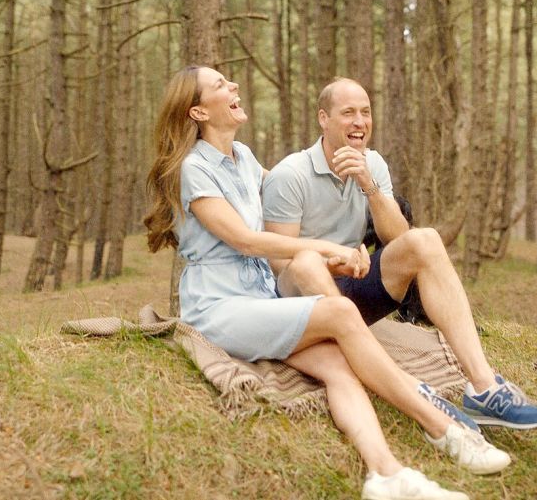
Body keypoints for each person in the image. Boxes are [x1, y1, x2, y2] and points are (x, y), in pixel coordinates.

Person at [144, 66, 510, 500]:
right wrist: (325, 249)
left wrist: (348, 241)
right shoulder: (193, 168)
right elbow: (243, 239)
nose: (234, 86)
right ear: (199, 110)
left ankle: (386, 475)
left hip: (263, 301)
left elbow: (286, 194)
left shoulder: (243, 159)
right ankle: (441, 425)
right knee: (339, 312)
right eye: (221, 85)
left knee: (338, 366)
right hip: (219, 307)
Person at [262, 77, 537, 430]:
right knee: (307, 263)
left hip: (353, 287)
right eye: (348, 113)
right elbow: (278, 261)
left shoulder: (374, 165)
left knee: (425, 240)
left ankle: (483, 387)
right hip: (304, 302)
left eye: (366, 113)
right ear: (324, 119)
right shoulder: (290, 174)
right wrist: (330, 261)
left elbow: (398, 239)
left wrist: (368, 185)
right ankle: (403, 384)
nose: (360, 122)